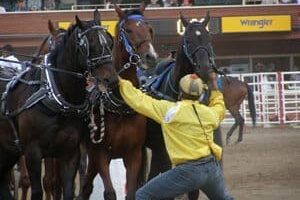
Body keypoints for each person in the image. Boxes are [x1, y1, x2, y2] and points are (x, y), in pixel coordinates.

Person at [118, 73, 234, 199]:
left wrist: (119, 81)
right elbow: (219, 106)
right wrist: (214, 87)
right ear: (200, 94)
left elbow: (138, 100)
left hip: (187, 172)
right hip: (211, 168)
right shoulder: (209, 113)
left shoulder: (170, 111)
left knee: (142, 195)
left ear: (180, 92)